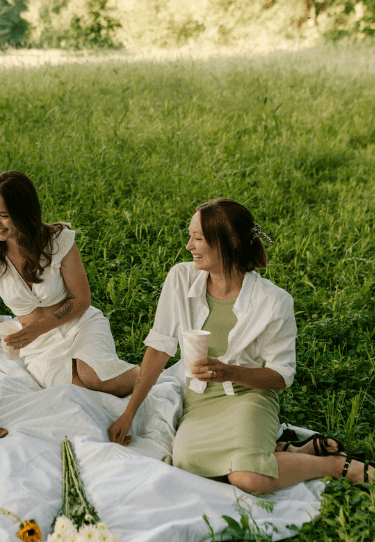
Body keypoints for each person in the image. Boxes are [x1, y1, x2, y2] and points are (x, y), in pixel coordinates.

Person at [108, 198, 372, 489]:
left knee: (247, 478)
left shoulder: (273, 301)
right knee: (189, 468)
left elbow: (281, 375)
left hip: (248, 397)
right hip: (200, 401)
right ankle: (288, 452)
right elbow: (159, 349)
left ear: (229, 243)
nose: (188, 246)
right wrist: (129, 414)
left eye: (197, 238)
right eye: (190, 236)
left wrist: (230, 372)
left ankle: (336, 465)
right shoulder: (180, 279)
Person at [0, 170, 138, 397]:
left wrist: (38, 328)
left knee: (94, 377)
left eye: (4, 215)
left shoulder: (58, 240)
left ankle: (149, 377)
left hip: (79, 326)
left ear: (23, 213)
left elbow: (82, 299)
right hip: (37, 346)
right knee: (79, 392)